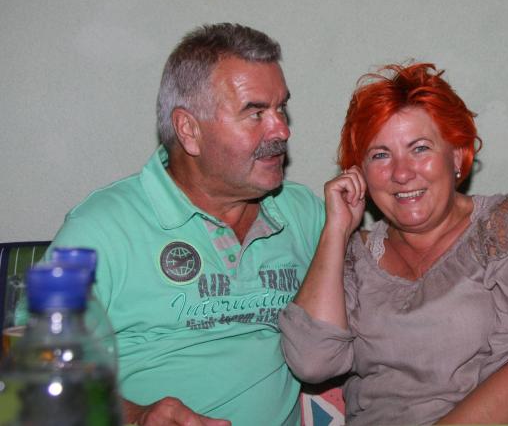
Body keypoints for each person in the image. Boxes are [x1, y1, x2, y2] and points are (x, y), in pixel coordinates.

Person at [49, 23, 325, 425]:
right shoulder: (100, 230)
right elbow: (39, 370)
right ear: (189, 130)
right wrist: (136, 416)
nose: (282, 129)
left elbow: (386, 266)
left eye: (281, 108)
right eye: (255, 113)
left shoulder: (303, 213)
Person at [279, 62, 508, 425]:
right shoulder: (356, 256)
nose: (402, 173)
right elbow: (312, 362)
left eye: (419, 149)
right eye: (380, 155)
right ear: (360, 174)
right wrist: (336, 231)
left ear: (456, 155)